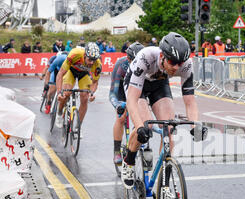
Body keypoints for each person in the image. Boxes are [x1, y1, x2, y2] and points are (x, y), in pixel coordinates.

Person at [121, 32, 208, 189]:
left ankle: (164, 184)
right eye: (172, 62)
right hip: (136, 86)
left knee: (169, 128)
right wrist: (140, 126)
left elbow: (190, 101)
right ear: (162, 55)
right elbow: (132, 101)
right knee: (145, 126)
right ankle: (128, 161)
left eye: (179, 64)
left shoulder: (186, 65)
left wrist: (195, 126)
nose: (176, 67)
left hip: (159, 85)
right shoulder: (145, 57)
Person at [109, 42, 146, 167]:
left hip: (137, 89)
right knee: (121, 117)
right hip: (122, 91)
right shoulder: (121, 64)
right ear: (128, 59)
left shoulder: (146, 63)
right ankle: (116, 150)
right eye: (133, 61)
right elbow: (112, 93)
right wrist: (118, 105)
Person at [55, 43, 102, 132]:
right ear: (84, 55)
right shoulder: (75, 54)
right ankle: (59, 112)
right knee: (66, 93)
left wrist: (91, 93)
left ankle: (77, 127)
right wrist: (59, 92)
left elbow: (95, 82)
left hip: (84, 75)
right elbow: (60, 74)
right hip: (71, 71)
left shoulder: (97, 64)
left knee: (84, 98)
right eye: (90, 59)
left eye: (94, 60)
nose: (92, 62)